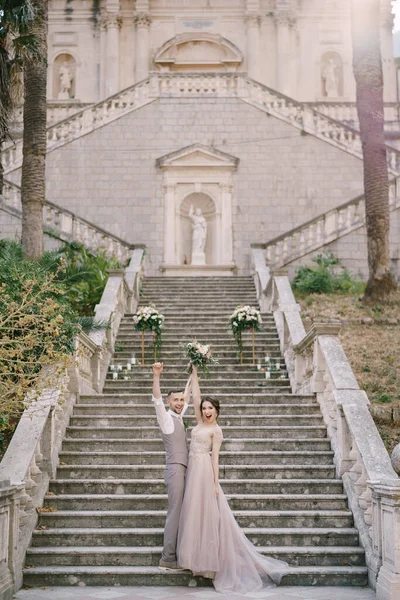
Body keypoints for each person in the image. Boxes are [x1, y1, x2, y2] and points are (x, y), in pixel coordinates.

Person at [177, 365, 289, 593]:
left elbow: (215, 459)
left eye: (211, 408)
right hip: (193, 470)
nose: (207, 411)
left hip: (205, 472)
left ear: (217, 411)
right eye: (204, 408)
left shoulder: (215, 431)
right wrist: (195, 372)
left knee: (208, 515)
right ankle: (196, 560)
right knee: (194, 513)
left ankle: (210, 564)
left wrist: (216, 484)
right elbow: (196, 395)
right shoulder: (199, 423)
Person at [152, 362, 192, 570]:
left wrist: (194, 371)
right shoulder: (166, 419)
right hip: (175, 469)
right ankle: (168, 558)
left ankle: (180, 553)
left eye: (181, 400)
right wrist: (157, 375)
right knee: (175, 512)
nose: (179, 402)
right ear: (169, 401)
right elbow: (157, 401)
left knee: (184, 511)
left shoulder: (179, 416)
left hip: (185, 469)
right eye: (175, 399)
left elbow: (188, 394)